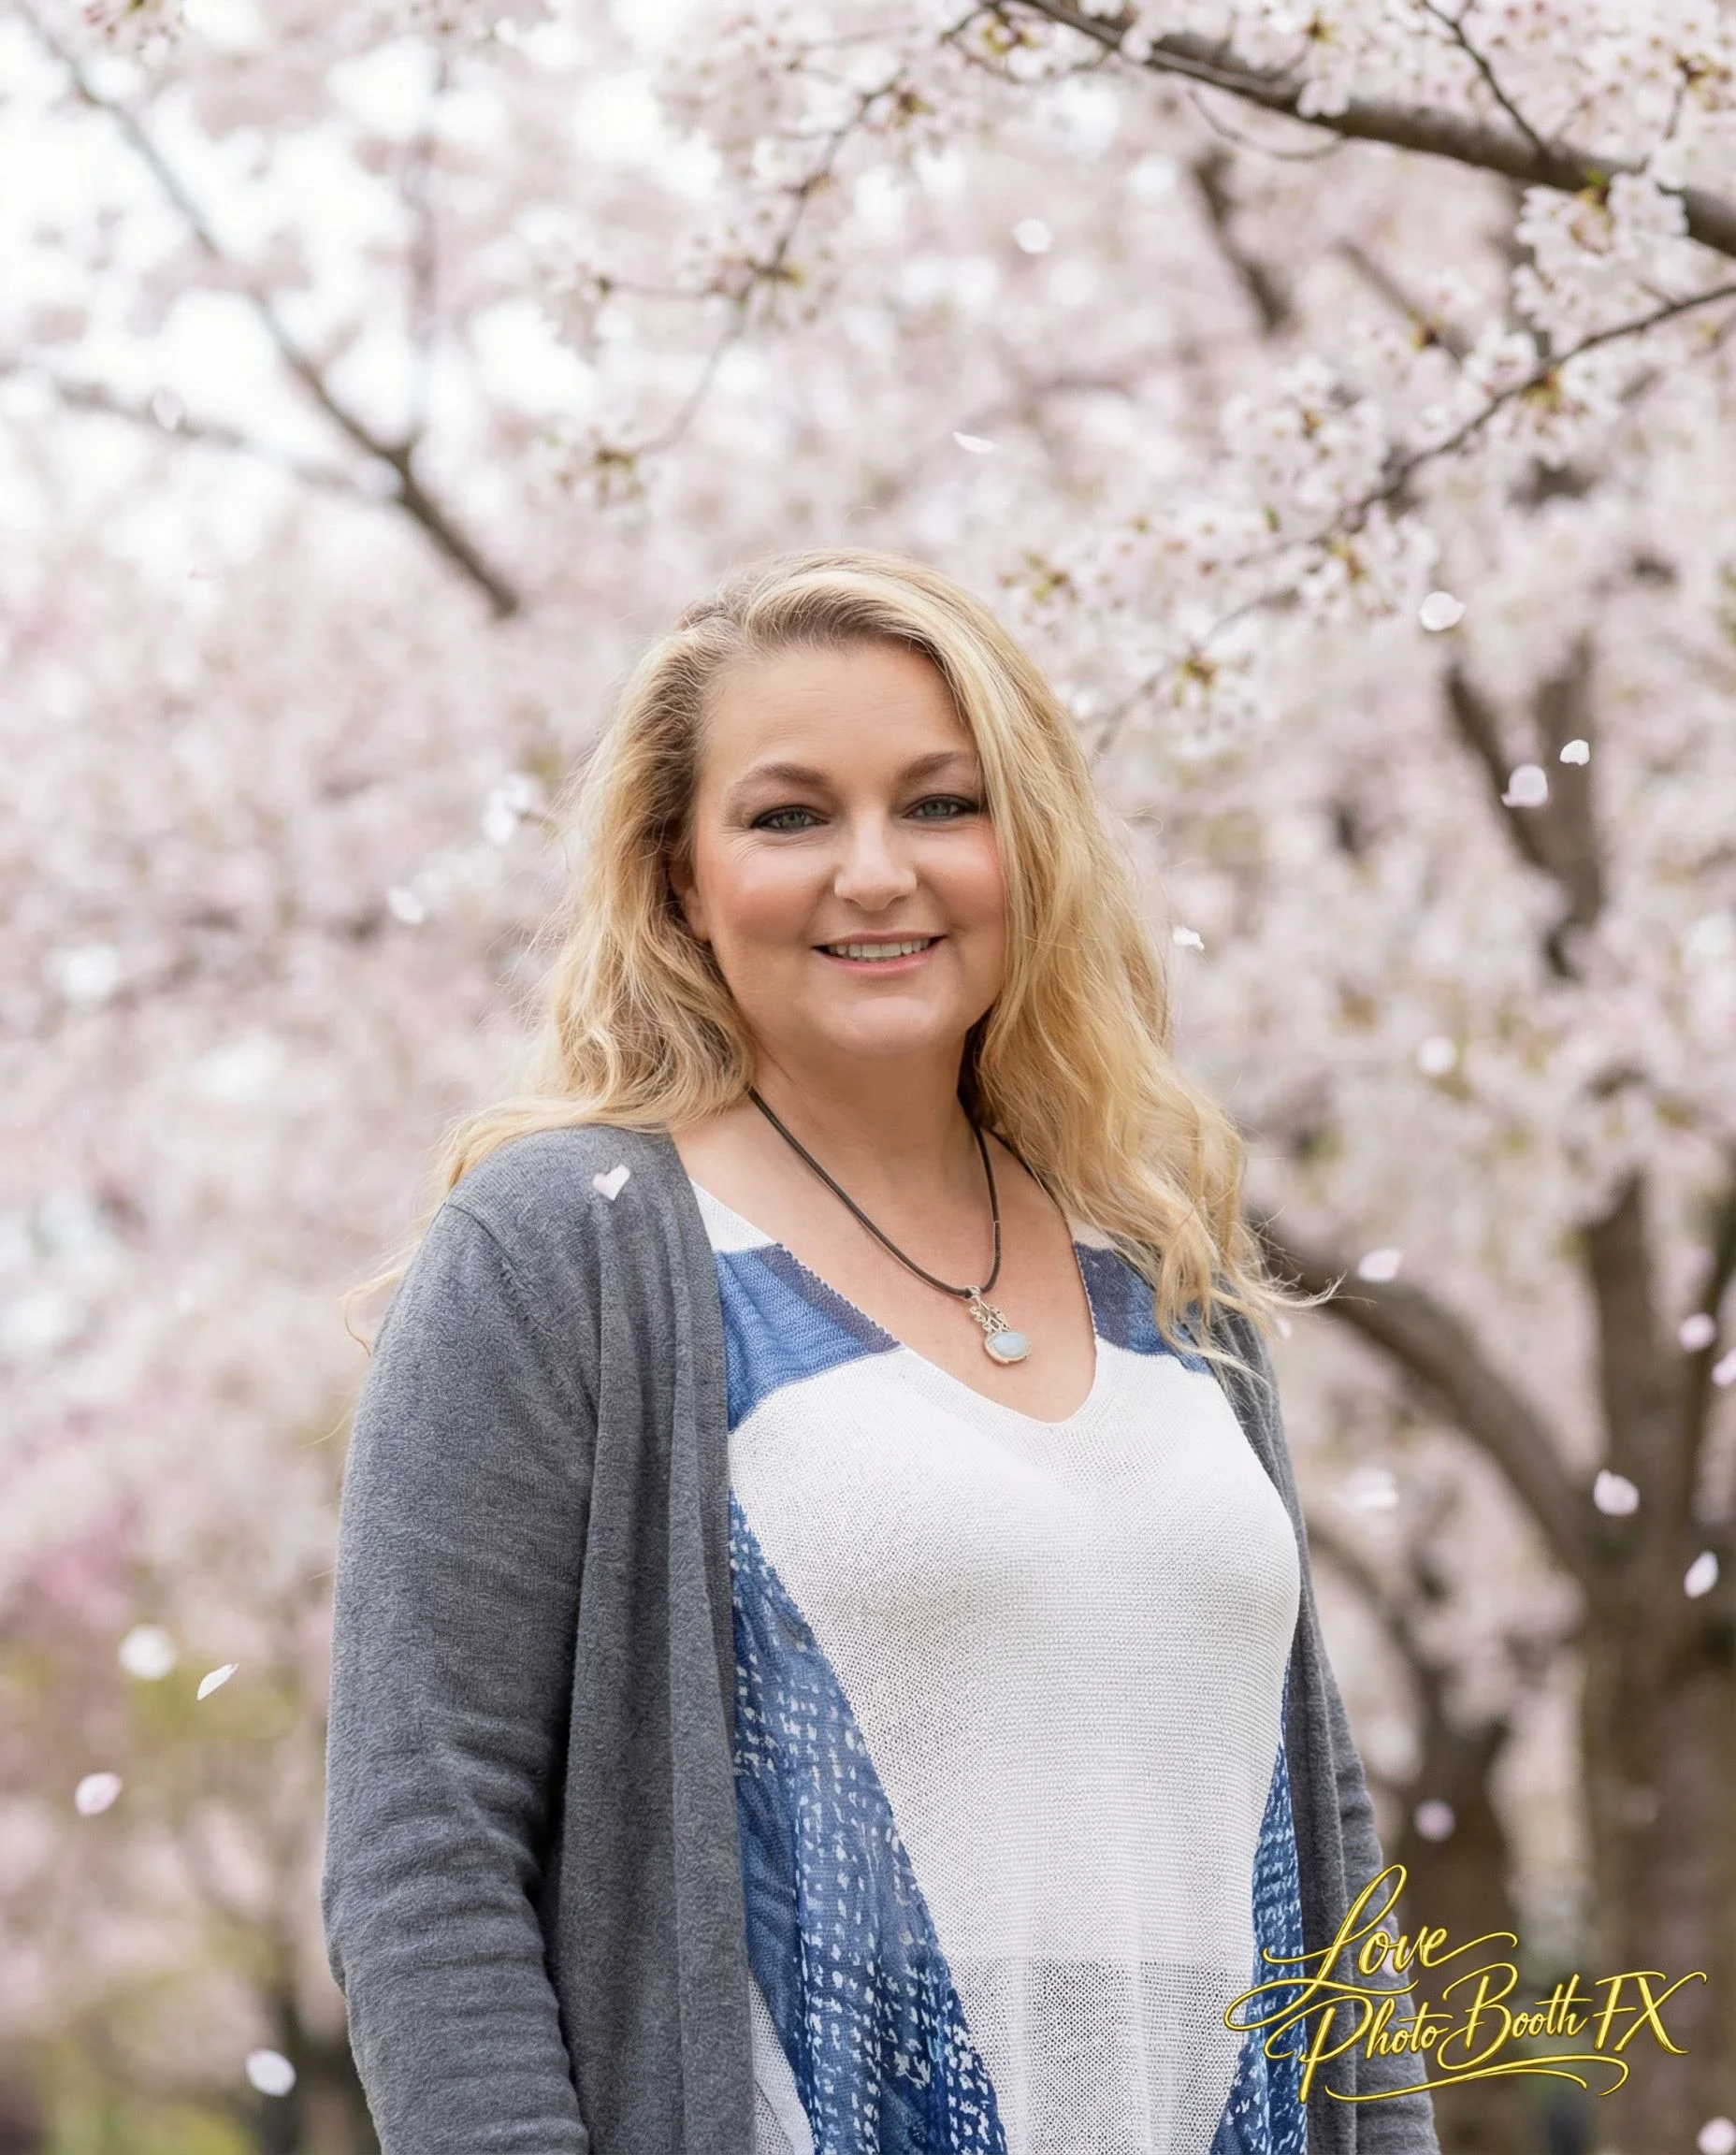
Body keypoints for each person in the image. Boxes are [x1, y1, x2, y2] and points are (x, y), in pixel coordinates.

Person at [322, 548, 1440, 2155]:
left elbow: (1317, 1816)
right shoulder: (574, 1244)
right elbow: (424, 1850)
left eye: (942, 804)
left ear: (1029, 846)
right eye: (789, 816)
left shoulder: (1165, 1255)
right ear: (678, 879)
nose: (875, 872)